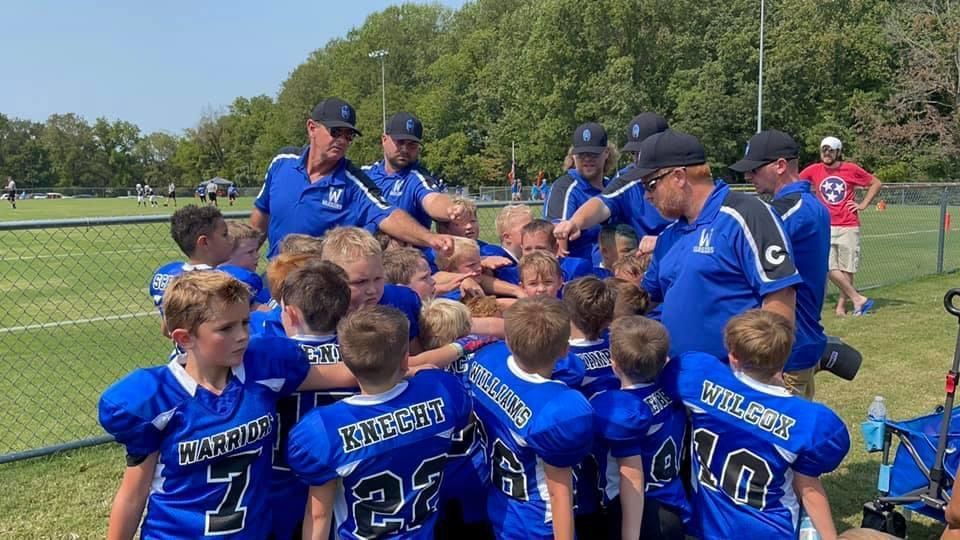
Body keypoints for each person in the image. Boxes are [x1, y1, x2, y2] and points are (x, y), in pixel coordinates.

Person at [98, 271, 359, 540]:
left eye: (245, 322)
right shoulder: (158, 398)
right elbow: (133, 495)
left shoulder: (261, 368)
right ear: (185, 338)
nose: (242, 335)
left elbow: (348, 373)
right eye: (226, 328)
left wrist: (400, 369)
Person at [660, 310, 850, 540]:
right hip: (770, 530)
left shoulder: (698, 376)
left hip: (710, 524)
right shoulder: (810, 422)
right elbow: (808, 488)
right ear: (785, 356)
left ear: (733, 357)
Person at [287, 306, 471, 540]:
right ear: (405, 358)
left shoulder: (324, 429)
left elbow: (319, 517)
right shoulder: (442, 390)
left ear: (345, 358)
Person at [636, 129, 803, 359]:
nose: (647, 196)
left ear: (678, 177)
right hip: (677, 380)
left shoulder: (746, 215)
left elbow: (780, 297)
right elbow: (644, 300)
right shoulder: (668, 236)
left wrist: (763, 371)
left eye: (650, 184)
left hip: (733, 382)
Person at [251, 97, 452, 259]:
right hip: (275, 274)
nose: (342, 140)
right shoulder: (282, 162)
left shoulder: (353, 183)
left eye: (348, 136)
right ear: (312, 128)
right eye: (335, 132)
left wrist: (430, 238)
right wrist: (248, 252)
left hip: (318, 283)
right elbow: (262, 212)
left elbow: (387, 214)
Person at [469, 296, 594, 540]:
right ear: (564, 348)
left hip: (503, 504)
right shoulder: (556, 409)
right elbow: (559, 494)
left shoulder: (486, 359)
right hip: (539, 521)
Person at [730, 129, 831, 399]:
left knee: (777, 434)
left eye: (754, 169)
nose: (748, 176)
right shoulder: (810, 204)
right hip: (802, 339)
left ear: (780, 165)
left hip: (789, 345)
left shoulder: (788, 211)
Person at [269, 261, 355, 540]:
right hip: (345, 478)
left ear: (290, 313)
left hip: (281, 482)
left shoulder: (272, 357)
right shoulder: (361, 356)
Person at [591, 316, 688, 540]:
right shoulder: (675, 389)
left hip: (637, 512)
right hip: (674, 501)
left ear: (613, 364)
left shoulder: (620, 410)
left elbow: (630, 478)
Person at [553, 113, 671, 257]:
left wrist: (664, 241)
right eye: (635, 153)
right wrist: (576, 222)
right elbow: (602, 203)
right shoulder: (627, 178)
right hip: (637, 264)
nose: (639, 159)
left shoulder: (683, 179)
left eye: (644, 152)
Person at [801, 136, 883, 317]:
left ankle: (842, 307)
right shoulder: (813, 170)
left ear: (838, 152)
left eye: (831, 150)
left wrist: (862, 204)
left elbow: (875, 183)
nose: (827, 153)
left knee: (847, 268)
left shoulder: (850, 169)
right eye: (824, 150)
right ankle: (858, 298)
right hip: (825, 225)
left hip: (848, 225)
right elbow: (797, 185)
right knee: (826, 266)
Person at [364, 112, 461, 230]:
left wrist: (450, 209)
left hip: (406, 248)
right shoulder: (365, 174)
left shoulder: (417, 178)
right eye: (400, 142)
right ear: (384, 140)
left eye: (412, 145)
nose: (405, 149)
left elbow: (432, 199)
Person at [544, 122, 616, 261]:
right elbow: (557, 239)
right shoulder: (565, 186)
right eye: (581, 154)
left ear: (606, 153)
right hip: (581, 274)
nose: (587, 159)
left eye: (593, 154)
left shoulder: (612, 186)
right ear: (573, 156)